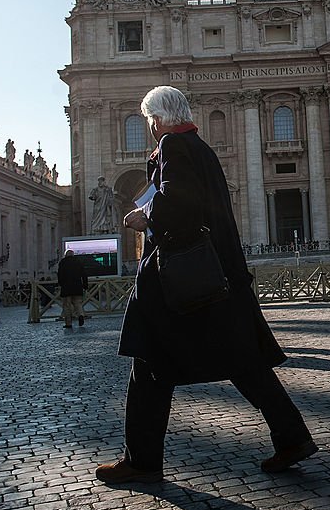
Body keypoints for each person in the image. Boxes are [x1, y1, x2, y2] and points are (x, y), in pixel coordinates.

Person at [96, 85, 316, 484]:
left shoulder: (172, 147)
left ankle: (142, 461)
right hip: (217, 275)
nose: (149, 127)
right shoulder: (202, 149)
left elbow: (179, 201)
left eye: (149, 120)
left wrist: (146, 217)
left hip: (184, 278)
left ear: (158, 119)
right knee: (243, 362)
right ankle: (292, 436)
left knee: (149, 362)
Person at [57, 250, 88, 328]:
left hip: (66, 287)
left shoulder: (63, 262)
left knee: (67, 306)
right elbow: (84, 274)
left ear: (66, 255)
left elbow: (60, 274)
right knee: (78, 303)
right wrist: (85, 285)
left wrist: (61, 284)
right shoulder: (78, 262)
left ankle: (68, 323)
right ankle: (81, 315)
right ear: (73, 255)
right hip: (77, 287)